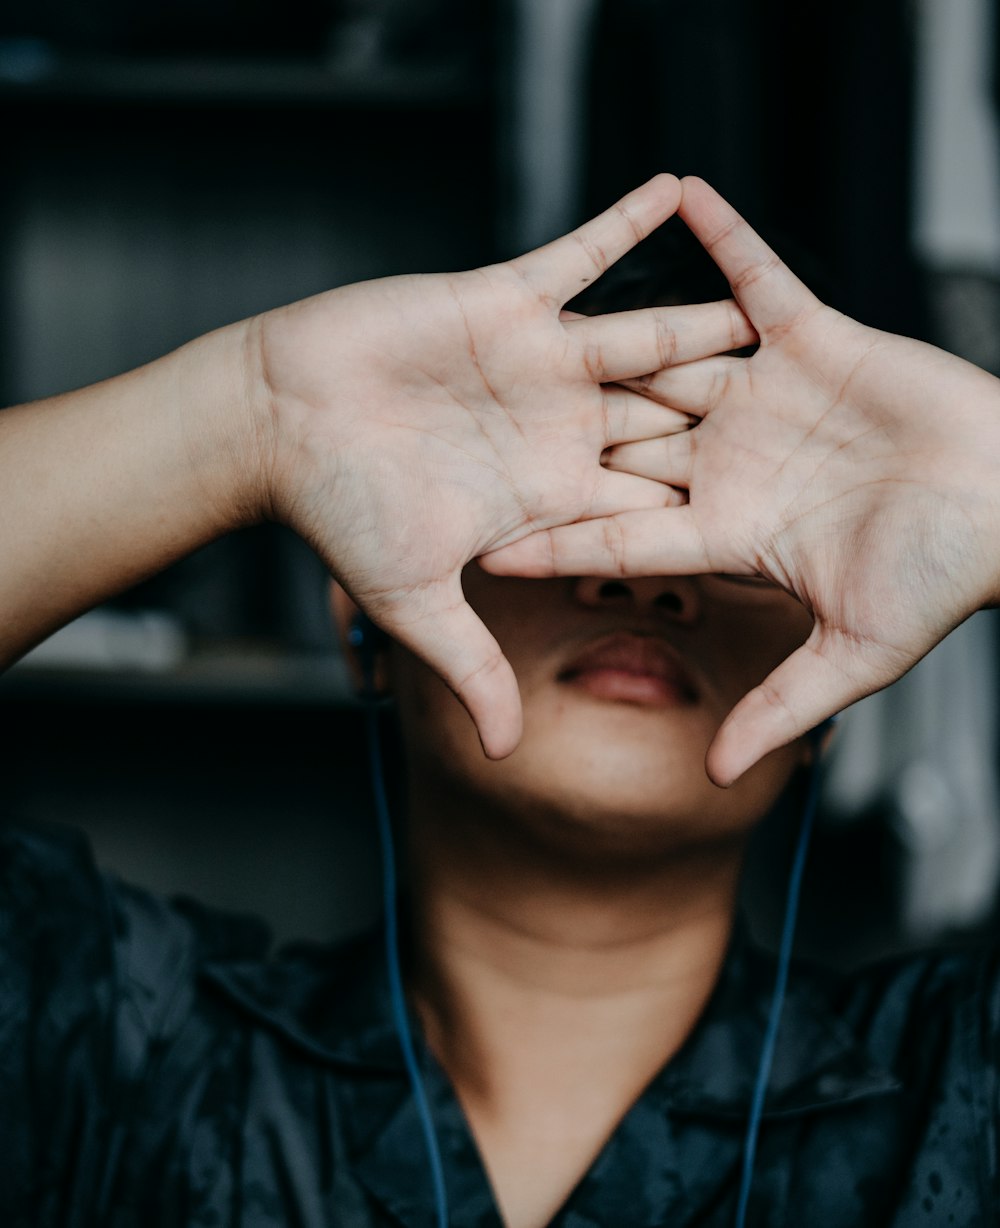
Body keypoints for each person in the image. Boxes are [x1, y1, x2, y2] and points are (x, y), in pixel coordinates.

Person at [2, 175, 999, 1227]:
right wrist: (256, 411)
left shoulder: (953, 1095)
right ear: (364, 617)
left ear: (835, 690)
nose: (644, 578)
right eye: (571, 499)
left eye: (729, 537)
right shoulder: (126, 1049)